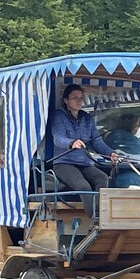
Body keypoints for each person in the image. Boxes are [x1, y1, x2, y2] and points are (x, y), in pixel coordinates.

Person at [50, 84, 120, 218]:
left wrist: (110, 153)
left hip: (85, 162)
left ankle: (102, 215)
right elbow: (58, 138)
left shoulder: (87, 118)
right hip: (64, 163)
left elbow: (97, 142)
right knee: (83, 186)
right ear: (66, 100)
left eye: (81, 98)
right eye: (74, 97)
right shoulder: (58, 116)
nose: (79, 101)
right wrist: (71, 143)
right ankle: (95, 221)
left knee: (103, 178)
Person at [106, 113, 140, 188]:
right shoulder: (138, 144)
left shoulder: (106, 140)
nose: (139, 128)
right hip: (135, 182)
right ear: (133, 127)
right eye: (137, 125)